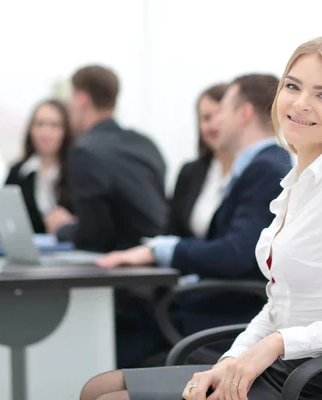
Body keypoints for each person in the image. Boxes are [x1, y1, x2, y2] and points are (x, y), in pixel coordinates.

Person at [80, 36, 322, 400]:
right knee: (96, 388)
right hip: (279, 368)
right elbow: (278, 307)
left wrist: (278, 344)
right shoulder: (299, 183)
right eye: (292, 86)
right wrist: (231, 358)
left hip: (318, 381)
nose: (301, 103)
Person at [97, 74, 293, 368]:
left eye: (222, 111)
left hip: (223, 312)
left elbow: (236, 254)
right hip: (213, 303)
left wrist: (158, 251)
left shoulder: (264, 168)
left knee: (111, 340)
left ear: (244, 114)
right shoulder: (259, 165)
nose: (216, 122)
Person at [46, 65, 168, 252]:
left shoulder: (84, 151)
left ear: (81, 99)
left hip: (120, 269)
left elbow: (94, 237)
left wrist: (62, 228)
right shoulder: (146, 145)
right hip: (157, 261)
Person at [168, 83, 230, 239]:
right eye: (206, 118)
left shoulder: (255, 171)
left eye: (220, 114)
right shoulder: (190, 172)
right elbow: (171, 230)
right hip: (186, 263)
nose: (214, 124)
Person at [5, 99, 74, 234]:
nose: (46, 132)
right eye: (40, 124)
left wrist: (71, 223)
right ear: (31, 129)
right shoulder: (17, 173)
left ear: (65, 131)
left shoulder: (78, 171)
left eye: (54, 125)